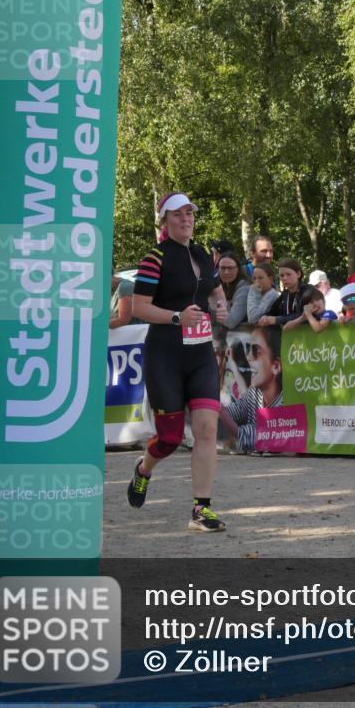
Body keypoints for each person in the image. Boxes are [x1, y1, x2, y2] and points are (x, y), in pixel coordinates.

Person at [129, 192, 229, 532]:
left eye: (189, 213)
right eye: (178, 214)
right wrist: (176, 317)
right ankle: (143, 469)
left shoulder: (202, 255)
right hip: (165, 357)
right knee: (169, 439)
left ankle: (202, 509)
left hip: (200, 356)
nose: (186, 219)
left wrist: (221, 306)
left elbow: (216, 290)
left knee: (207, 429)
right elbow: (139, 307)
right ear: (165, 220)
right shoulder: (154, 258)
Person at [219, 325, 283, 454]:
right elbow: (233, 413)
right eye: (248, 349)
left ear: (275, 366)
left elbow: (254, 438)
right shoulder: (255, 393)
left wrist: (217, 407)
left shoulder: (285, 402)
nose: (248, 356)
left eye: (256, 352)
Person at [260, 258, 317, 327]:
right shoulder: (285, 294)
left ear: (298, 274)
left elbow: (304, 315)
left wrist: (277, 320)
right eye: (282, 275)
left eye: (288, 274)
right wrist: (265, 317)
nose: (284, 278)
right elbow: (272, 311)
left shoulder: (308, 290)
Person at [213, 252, 250, 340]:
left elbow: (231, 322)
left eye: (230, 268)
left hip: (240, 341)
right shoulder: (217, 285)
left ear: (238, 269)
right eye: (222, 268)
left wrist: (214, 305)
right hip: (220, 339)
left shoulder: (245, 288)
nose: (226, 272)